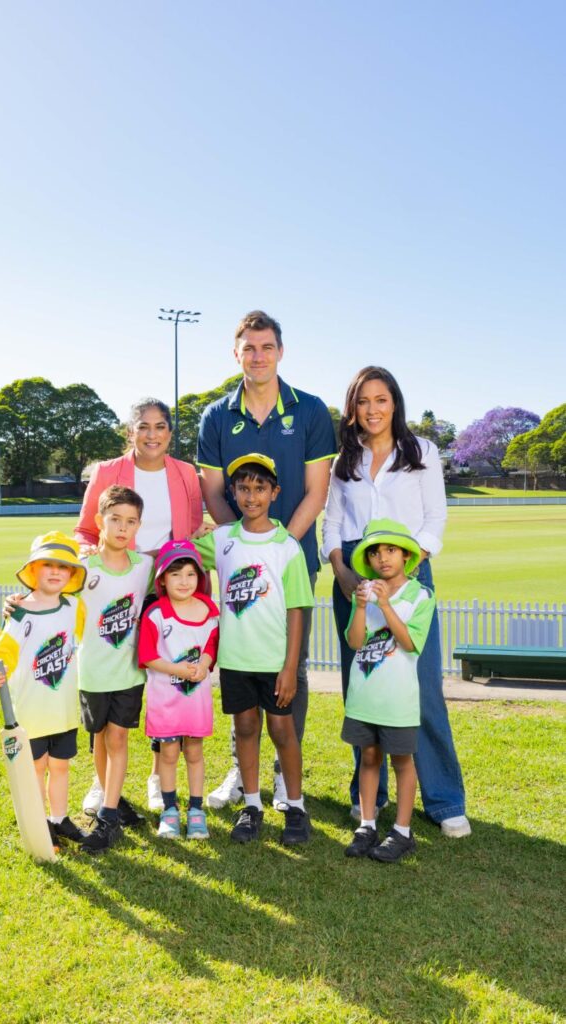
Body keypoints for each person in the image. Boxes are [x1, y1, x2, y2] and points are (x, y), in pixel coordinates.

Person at [322, 366, 470, 838]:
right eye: (363, 402)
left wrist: (405, 570)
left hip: (409, 574)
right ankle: (369, 798)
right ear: (352, 409)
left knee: (420, 687)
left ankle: (445, 800)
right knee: (363, 688)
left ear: (395, 403)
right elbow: (332, 525)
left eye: (381, 400)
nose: (372, 410)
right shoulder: (343, 459)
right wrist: (344, 574)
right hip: (355, 580)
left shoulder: (421, 451)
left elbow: (435, 518)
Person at [197, 310, 336, 811]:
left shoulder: (313, 410)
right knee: (239, 662)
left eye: (266, 347)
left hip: (291, 559)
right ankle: (242, 770)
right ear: (236, 354)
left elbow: (316, 491)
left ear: (281, 351)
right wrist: (242, 543)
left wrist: (277, 547)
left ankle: (284, 775)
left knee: (287, 667)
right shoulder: (216, 415)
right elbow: (213, 492)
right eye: (248, 348)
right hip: (236, 562)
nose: (258, 356)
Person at [75, 398, 205, 814]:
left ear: (170, 432)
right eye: (143, 427)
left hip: (165, 591)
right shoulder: (109, 472)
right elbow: (83, 530)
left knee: (163, 685)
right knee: (110, 683)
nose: (152, 434)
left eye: (160, 427)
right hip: (118, 586)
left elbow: (192, 532)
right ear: (130, 432)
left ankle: (155, 777)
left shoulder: (186, 474)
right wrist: (84, 558)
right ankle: (101, 785)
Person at [193, 453, 315, 845]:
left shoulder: (286, 546)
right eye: (243, 488)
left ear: (274, 493)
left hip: (274, 660)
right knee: (245, 728)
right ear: (233, 492)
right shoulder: (223, 539)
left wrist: (289, 666)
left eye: (260, 488)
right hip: (234, 659)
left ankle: (295, 807)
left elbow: (297, 610)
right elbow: (182, 559)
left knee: (282, 730)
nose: (251, 496)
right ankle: (251, 805)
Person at [0, 531, 89, 848]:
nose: (56, 572)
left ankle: (59, 818)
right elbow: (0, 653)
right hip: (31, 713)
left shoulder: (74, 607)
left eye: (64, 567)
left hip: (63, 710)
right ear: (33, 569)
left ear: (72, 573)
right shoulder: (19, 611)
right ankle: (39, 821)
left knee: (60, 766)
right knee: (36, 768)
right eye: (48, 565)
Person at [342, 519, 436, 863]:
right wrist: (363, 606)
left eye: (391, 550)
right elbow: (354, 642)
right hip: (365, 696)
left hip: (398, 700)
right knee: (368, 757)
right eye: (376, 553)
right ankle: (367, 825)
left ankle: (402, 832)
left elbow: (411, 643)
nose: (383, 558)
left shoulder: (420, 595)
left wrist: (384, 606)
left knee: (401, 761)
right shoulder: (364, 594)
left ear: (406, 556)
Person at [77, 486, 154, 853]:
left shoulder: (145, 568)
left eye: (131, 522)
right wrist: (15, 603)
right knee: (100, 737)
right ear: (99, 522)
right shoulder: (83, 569)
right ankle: (112, 795)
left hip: (128, 672)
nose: (123, 528)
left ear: (139, 525)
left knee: (119, 737)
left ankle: (108, 816)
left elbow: (182, 565)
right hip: (92, 670)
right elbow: (48, 588)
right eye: (115, 520)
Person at [138, 541, 219, 839]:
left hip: (195, 702)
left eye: (190, 574)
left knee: (195, 753)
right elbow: (147, 655)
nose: (184, 582)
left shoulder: (209, 610)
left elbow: (212, 644)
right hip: (166, 702)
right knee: (169, 754)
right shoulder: (156, 614)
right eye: (175, 575)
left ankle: (196, 811)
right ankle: (170, 811)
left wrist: (205, 663)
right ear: (162, 580)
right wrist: (179, 670)